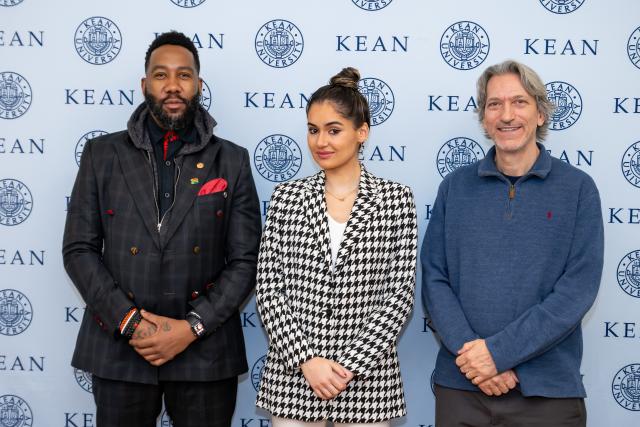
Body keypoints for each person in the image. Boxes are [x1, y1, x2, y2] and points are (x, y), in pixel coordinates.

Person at [62, 31, 261, 427]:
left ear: (199, 85)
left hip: (204, 352)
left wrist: (191, 327)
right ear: (144, 84)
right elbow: (79, 249)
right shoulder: (102, 155)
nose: (173, 85)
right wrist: (131, 322)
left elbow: (246, 260)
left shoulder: (232, 160)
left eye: (184, 75)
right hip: (121, 349)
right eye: (161, 75)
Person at [421, 59, 604, 426]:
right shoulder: (455, 188)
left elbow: (576, 291)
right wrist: (479, 362)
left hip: (547, 392)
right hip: (463, 387)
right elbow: (434, 279)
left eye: (519, 102)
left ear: (540, 113)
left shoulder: (578, 189)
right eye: (494, 104)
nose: (507, 115)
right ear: (484, 118)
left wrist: (498, 354)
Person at [255, 67, 417, 426]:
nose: (320, 142)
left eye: (333, 130)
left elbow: (399, 295)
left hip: (368, 381)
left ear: (362, 132)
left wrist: (349, 366)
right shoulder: (286, 198)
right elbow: (269, 290)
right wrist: (307, 361)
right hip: (294, 379)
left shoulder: (396, 200)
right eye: (313, 130)